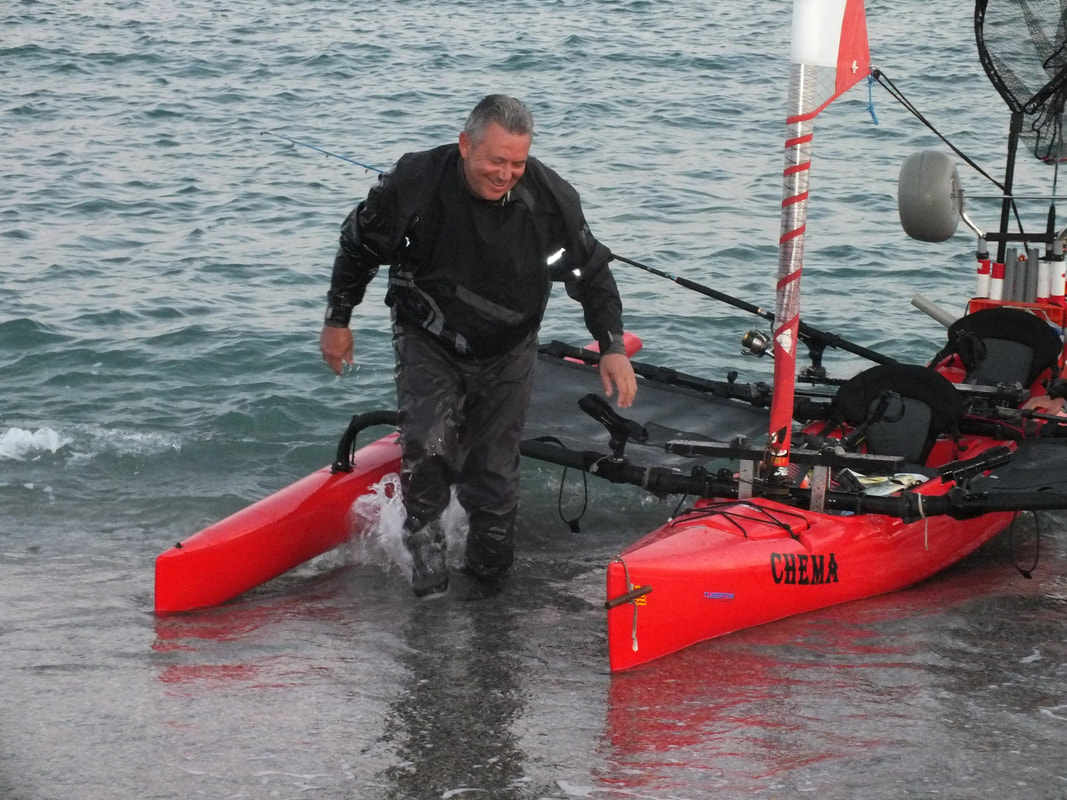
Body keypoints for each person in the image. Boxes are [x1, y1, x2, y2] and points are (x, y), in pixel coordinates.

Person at [319, 94, 637, 598]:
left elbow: (590, 271)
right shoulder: (415, 183)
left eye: (517, 163)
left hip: (509, 346)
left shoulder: (549, 198)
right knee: (429, 449)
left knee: (494, 479)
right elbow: (357, 246)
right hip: (428, 336)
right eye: (496, 160)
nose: (506, 174)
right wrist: (339, 320)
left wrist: (611, 344)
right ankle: (428, 588)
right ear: (466, 145)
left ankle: (489, 592)